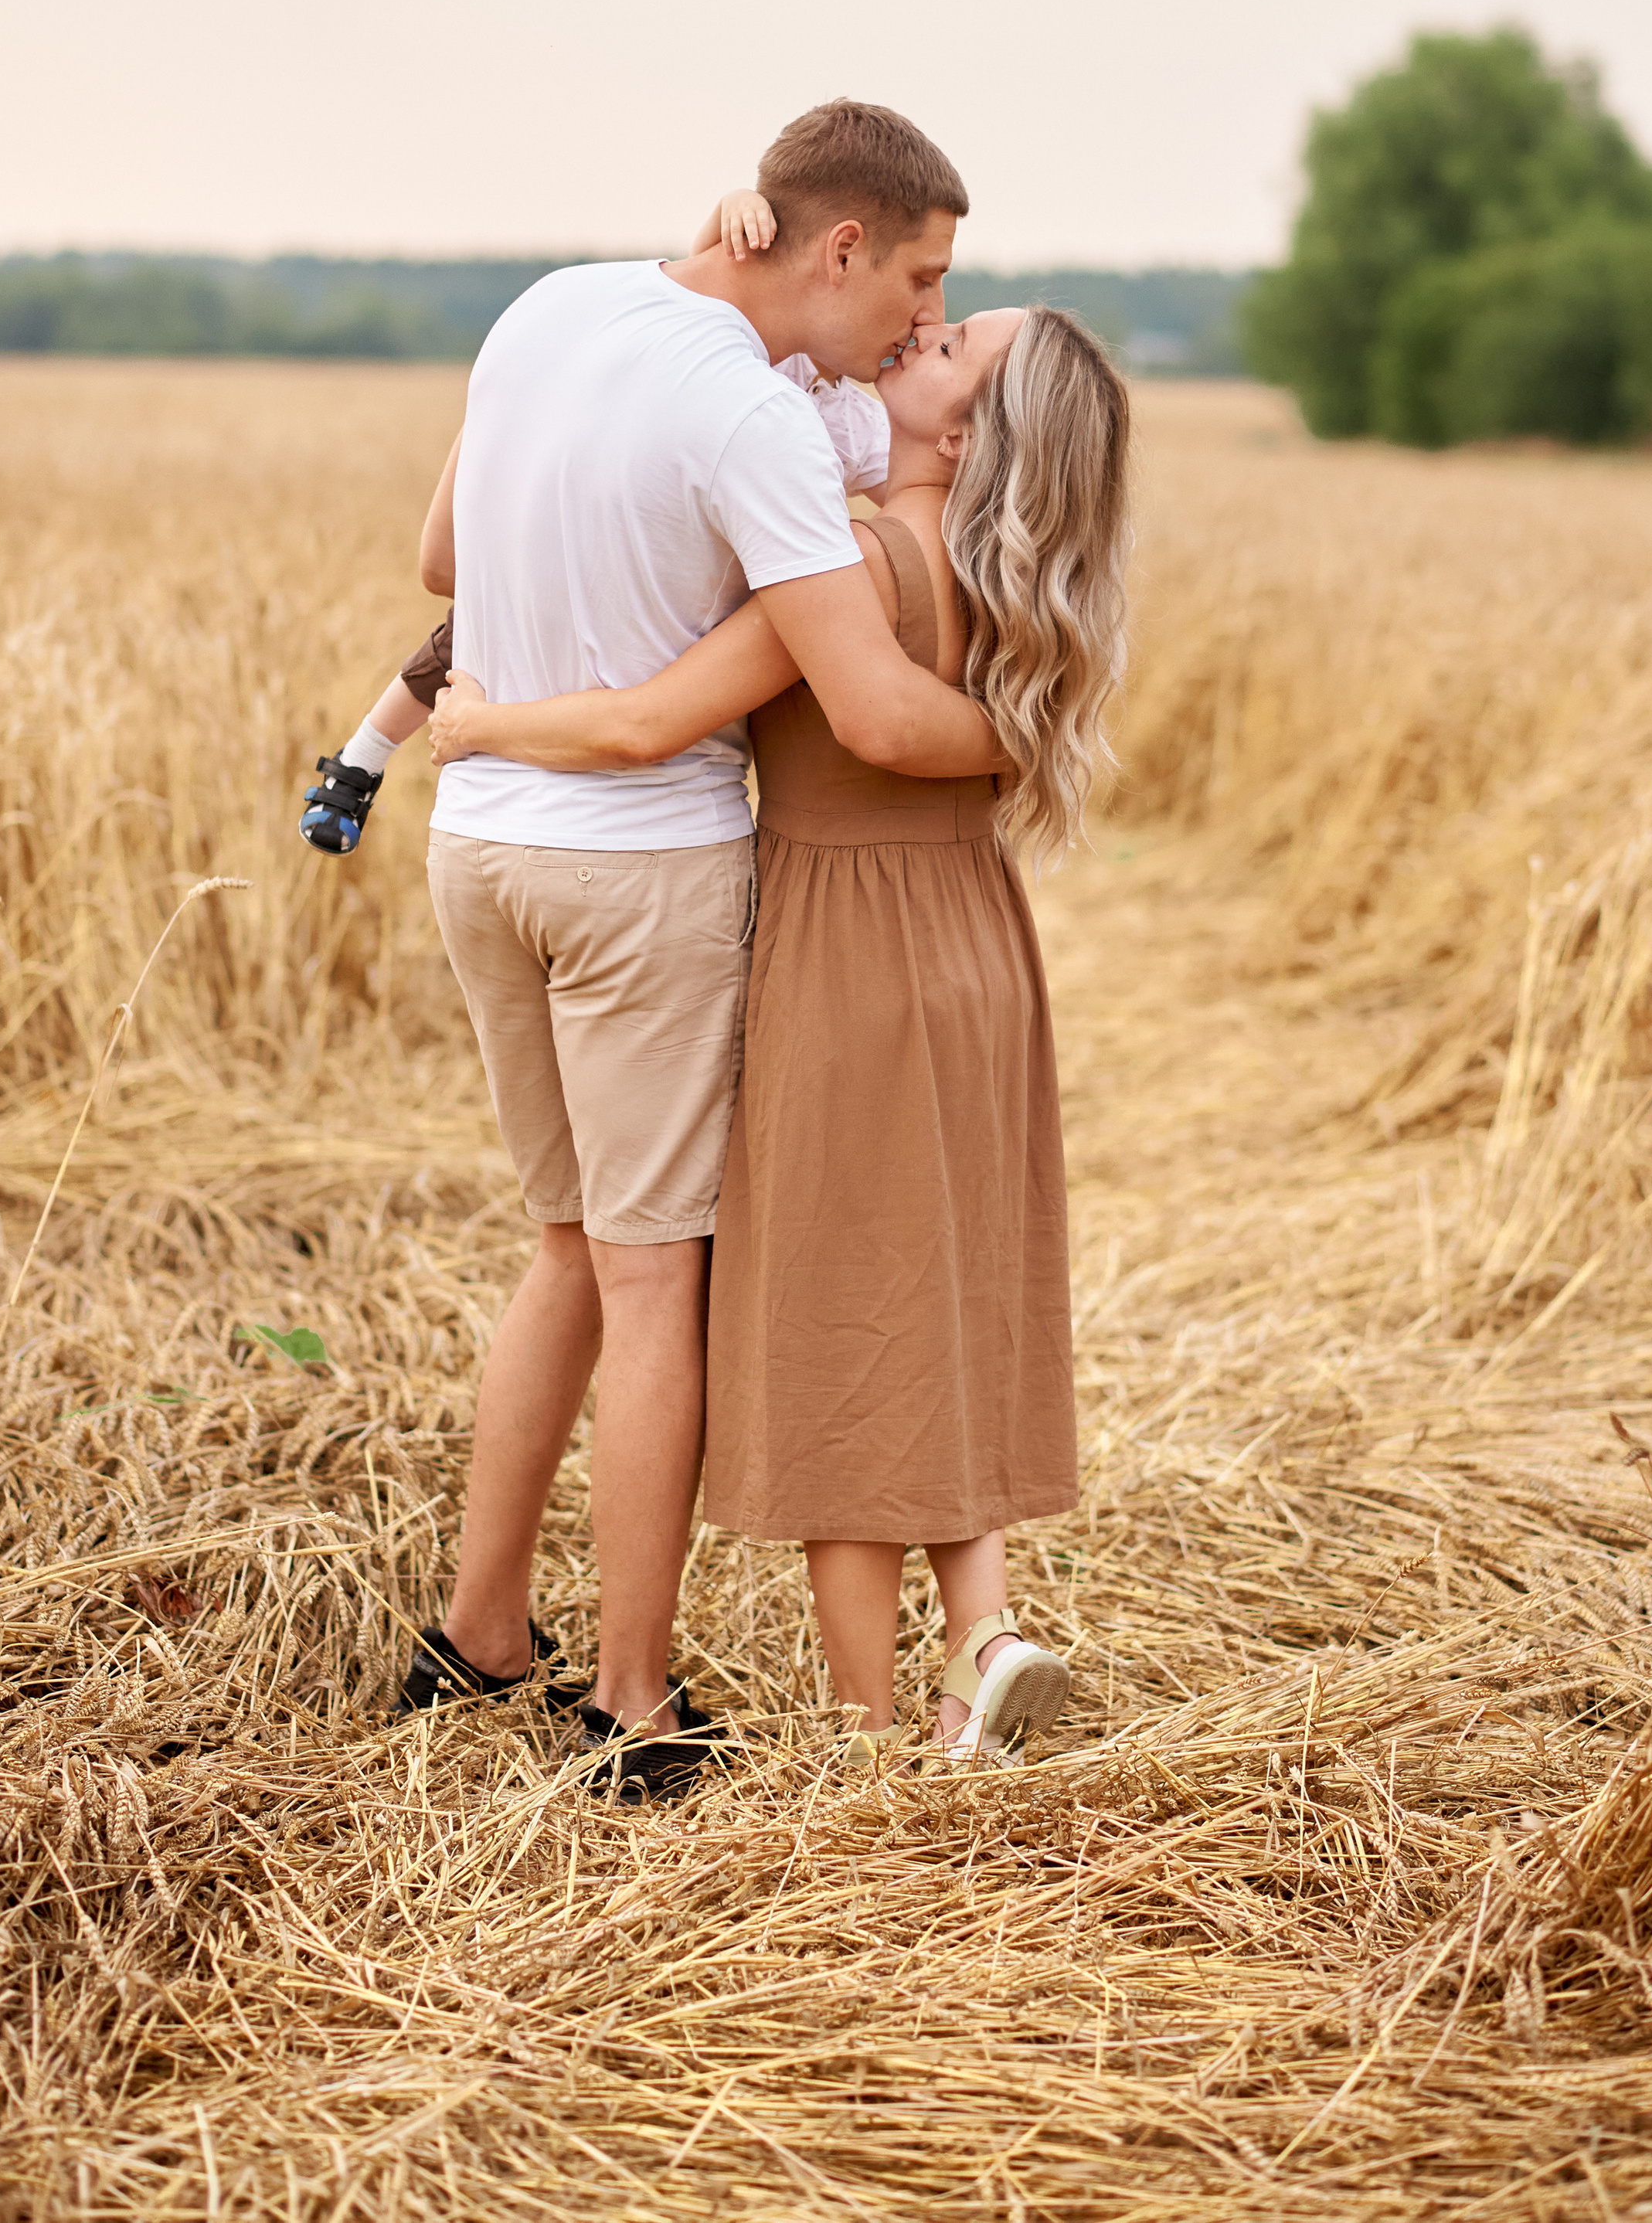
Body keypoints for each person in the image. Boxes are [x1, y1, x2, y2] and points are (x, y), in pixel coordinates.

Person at [368, 102, 1000, 1799]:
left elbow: (441, 559)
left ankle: (478, 1633)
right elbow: (866, 705)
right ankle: (628, 1700)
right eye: (919, 276)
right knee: (656, 1284)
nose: (918, 322)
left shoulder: (549, 306)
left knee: (564, 1249)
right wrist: (1035, 742)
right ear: (840, 243)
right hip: (637, 877)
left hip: (480, 849)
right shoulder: (753, 420)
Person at [430, 246, 1130, 1762]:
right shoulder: (1014, 604)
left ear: (968, 433)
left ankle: (872, 1728)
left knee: (841, 1318)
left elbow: (647, 717)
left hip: (843, 955)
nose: (920, 331)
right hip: (974, 949)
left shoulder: (859, 566)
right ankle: (983, 1635)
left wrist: (482, 719)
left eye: (953, 346)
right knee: (952, 1290)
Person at [295, 199, 890, 855]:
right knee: (463, 631)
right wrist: (732, 211)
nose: (920, 320)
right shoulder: (754, 361)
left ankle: (366, 757)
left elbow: (920, 502)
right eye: (918, 285)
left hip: (494, 819)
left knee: (482, 629)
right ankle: (364, 755)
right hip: (631, 821)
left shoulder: (850, 422)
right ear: (839, 263)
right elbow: (705, 290)